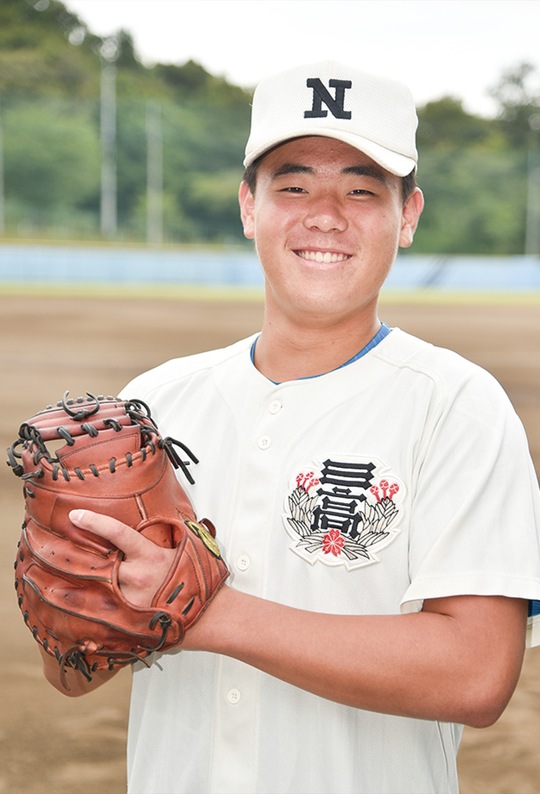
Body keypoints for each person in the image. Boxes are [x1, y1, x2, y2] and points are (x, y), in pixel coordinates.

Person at [41, 61, 540, 794]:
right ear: (250, 207)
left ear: (408, 216)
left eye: (363, 190)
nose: (325, 214)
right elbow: (70, 675)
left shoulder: (457, 405)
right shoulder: (154, 403)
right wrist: (79, 601)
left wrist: (201, 614)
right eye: (294, 185)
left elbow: (476, 673)